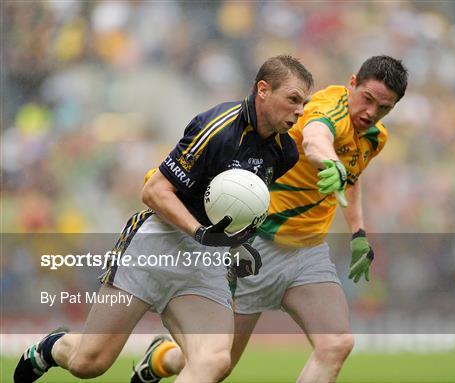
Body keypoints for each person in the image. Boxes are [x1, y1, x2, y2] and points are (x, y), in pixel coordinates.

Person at [14, 54, 314, 383]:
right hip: (155, 245)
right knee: (90, 363)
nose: (299, 111)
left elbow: (244, 210)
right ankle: (49, 348)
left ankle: (157, 357)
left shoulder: (284, 153)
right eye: (293, 99)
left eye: (304, 103)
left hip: (205, 260)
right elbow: (155, 192)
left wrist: (239, 243)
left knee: (214, 361)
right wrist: (199, 232)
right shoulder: (218, 127)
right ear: (263, 90)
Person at [134, 55, 408, 383]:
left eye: (384, 108)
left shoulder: (375, 137)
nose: (371, 113)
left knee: (336, 344)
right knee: (217, 364)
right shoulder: (325, 108)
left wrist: (358, 231)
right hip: (255, 246)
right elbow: (316, 139)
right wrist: (330, 162)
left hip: (308, 252)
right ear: (352, 84)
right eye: (368, 99)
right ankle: (161, 358)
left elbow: (350, 177)